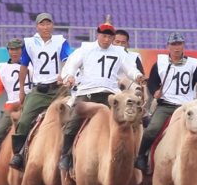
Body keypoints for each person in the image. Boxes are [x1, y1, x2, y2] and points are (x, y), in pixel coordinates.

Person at [57, 16, 147, 171]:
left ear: (113, 38)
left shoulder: (119, 52)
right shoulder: (85, 49)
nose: (106, 39)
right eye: (103, 36)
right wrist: (69, 77)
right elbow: (70, 66)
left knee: (128, 121)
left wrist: (137, 76)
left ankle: (132, 156)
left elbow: (130, 68)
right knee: (72, 123)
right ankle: (65, 155)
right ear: (97, 35)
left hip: (110, 95)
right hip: (87, 93)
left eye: (109, 36)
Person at [134, 32, 197, 177]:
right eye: (173, 45)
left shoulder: (192, 64)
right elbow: (153, 81)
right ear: (168, 46)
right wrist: (155, 91)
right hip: (166, 105)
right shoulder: (160, 62)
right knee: (152, 129)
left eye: (179, 44)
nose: (176, 47)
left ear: (183, 46)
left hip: (188, 107)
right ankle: (141, 157)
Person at [8, 13, 72, 171]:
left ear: (52, 25)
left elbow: (66, 60)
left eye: (48, 24)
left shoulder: (61, 41)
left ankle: (70, 154)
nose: (45, 27)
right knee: (24, 120)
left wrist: (62, 75)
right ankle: (19, 154)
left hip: (59, 89)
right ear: (37, 27)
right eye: (42, 24)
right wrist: (22, 90)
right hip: (39, 90)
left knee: (73, 118)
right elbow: (23, 66)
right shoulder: (29, 43)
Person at [0, 38, 33, 176]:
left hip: (32, 103)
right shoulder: (3, 69)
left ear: (23, 50)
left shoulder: (33, 65)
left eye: (17, 49)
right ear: (8, 51)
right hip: (11, 105)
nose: (14, 52)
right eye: (11, 49)